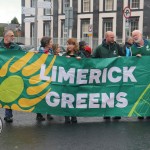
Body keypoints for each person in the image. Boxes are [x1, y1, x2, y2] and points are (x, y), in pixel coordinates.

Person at [92, 31, 124, 120]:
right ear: (106, 37)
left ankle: (116, 112)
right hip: (104, 75)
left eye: (114, 37)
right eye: (111, 37)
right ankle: (106, 113)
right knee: (106, 94)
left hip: (116, 75)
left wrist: (121, 58)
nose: (113, 39)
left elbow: (124, 56)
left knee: (116, 93)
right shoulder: (99, 48)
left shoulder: (117, 46)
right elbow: (93, 59)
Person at [0, 29, 22, 123]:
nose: (13, 37)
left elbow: (25, 56)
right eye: (11, 35)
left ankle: (8, 116)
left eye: (13, 35)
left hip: (10, 75)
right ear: (5, 37)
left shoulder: (16, 47)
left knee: (8, 94)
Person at [62, 38, 84, 124]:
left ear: (75, 45)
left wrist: (81, 60)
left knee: (75, 98)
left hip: (76, 80)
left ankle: (74, 115)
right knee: (66, 98)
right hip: (67, 81)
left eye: (71, 44)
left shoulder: (80, 54)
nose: (69, 46)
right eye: (68, 44)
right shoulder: (64, 55)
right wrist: (64, 60)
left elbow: (88, 63)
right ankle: (67, 116)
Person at [131, 30, 150, 120]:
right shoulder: (132, 48)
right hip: (139, 75)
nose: (134, 37)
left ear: (141, 35)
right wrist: (134, 58)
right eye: (133, 35)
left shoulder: (149, 43)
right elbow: (128, 61)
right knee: (139, 93)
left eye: (136, 35)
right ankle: (140, 113)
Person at [36, 36, 54, 121]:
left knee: (49, 94)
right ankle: (39, 114)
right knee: (40, 95)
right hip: (41, 76)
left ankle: (48, 113)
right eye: (50, 42)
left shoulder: (51, 51)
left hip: (49, 75)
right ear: (46, 43)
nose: (52, 43)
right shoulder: (40, 51)